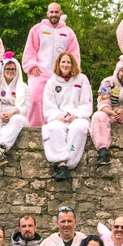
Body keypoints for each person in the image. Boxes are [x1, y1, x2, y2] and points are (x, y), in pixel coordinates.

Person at [22, 2, 80, 127]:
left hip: (60, 73)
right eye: (51, 12)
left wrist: (73, 70)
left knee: (59, 100)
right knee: (35, 97)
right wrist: (32, 65)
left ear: (61, 13)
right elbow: (30, 49)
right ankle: (34, 127)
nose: (54, 14)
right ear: (47, 13)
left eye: (56, 12)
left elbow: (74, 52)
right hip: (40, 72)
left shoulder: (68, 32)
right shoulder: (37, 29)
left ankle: (54, 127)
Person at [41, 52, 93, 181]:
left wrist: (76, 115)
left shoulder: (82, 79)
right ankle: (61, 164)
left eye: (68, 62)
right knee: (54, 128)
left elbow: (86, 102)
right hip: (59, 117)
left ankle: (69, 163)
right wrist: (59, 116)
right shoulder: (51, 82)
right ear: (58, 64)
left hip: (78, 116)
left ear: (73, 64)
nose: (65, 65)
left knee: (79, 128)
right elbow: (49, 105)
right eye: (63, 62)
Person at [0, 54, 29, 166]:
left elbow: (26, 107)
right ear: (3, 70)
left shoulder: (24, 87)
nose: (10, 71)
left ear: (17, 70)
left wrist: (12, 113)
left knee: (18, 119)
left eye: (13, 69)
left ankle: (2, 146)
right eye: (8, 69)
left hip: (15, 115)